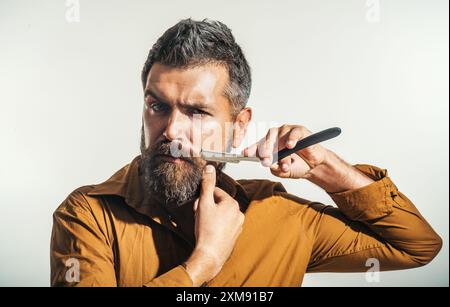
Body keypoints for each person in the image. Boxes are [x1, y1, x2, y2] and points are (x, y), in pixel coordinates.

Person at [50, 18, 442, 287]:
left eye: (197, 112)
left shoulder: (281, 216)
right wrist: (201, 264)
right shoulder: (87, 215)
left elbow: (416, 246)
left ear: (239, 126)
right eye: (158, 106)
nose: (170, 130)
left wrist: (326, 169)